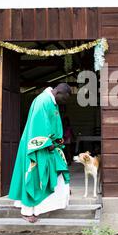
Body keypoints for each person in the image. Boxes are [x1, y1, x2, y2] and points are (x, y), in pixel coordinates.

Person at [8, 83, 72, 223]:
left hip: (48, 146)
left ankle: (41, 208)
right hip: (38, 147)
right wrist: (48, 144)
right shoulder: (43, 101)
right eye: (65, 99)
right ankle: (27, 211)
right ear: (60, 93)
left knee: (54, 173)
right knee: (34, 177)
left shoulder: (51, 101)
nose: (64, 102)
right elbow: (37, 125)